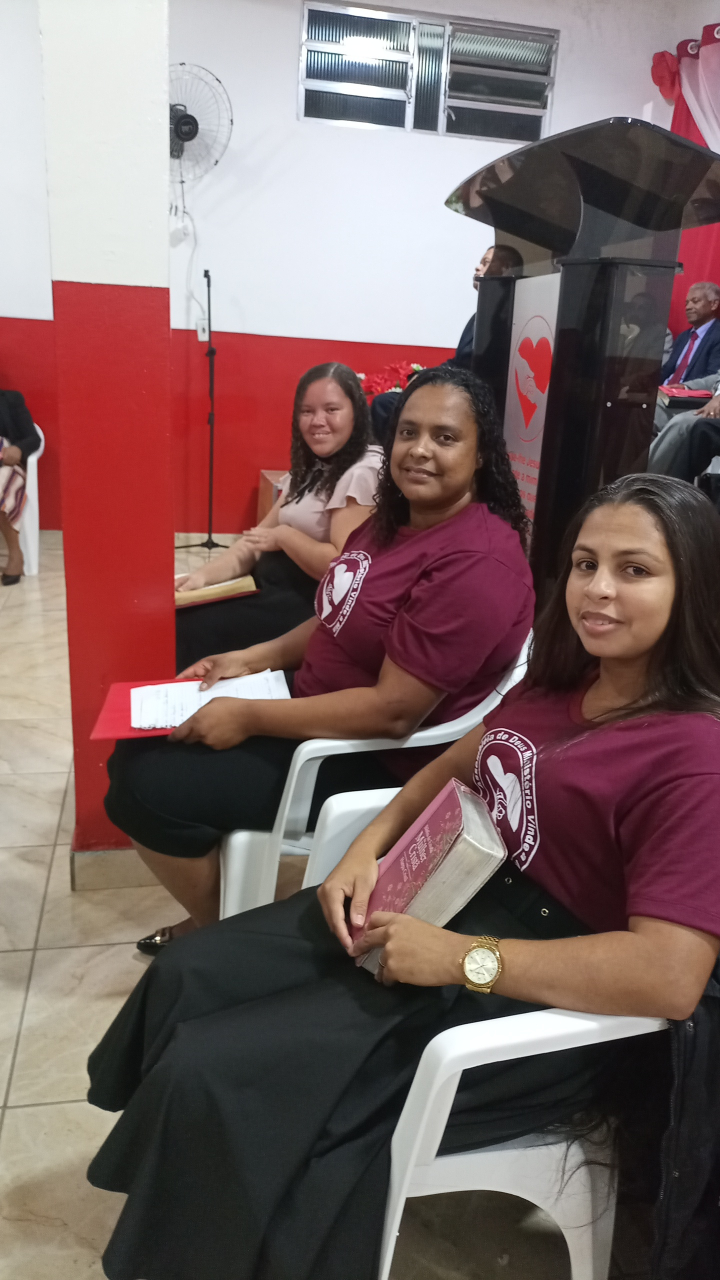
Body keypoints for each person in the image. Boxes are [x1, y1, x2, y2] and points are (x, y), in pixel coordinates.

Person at [86, 474, 720, 1280]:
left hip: (536, 992)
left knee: (220, 1070)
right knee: (193, 973)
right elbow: (459, 761)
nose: (598, 589)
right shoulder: (568, 677)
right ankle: (177, 1190)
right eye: (586, 563)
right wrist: (369, 848)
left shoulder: (694, 755)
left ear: (692, 586)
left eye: (635, 570)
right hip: (452, 897)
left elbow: (669, 977)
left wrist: (462, 959)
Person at [106, 366, 533, 953]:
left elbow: (393, 713)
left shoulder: (477, 564)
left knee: (146, 786)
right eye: (409, 432)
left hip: (366, 756)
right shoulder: (392, 522)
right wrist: (251, 659)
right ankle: (221, 918)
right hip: (311, 705)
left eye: (445, 437)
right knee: (136, 746)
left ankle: (218, 940)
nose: (419, 450)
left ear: (481, 454)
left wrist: (248, 716)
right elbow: (337, 613)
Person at [175, 363, 382, 670]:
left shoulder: (363, 471)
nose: (317, 421)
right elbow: (255, 541)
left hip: (306, 610)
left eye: (331, 410)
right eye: (307, 411)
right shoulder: (313, 468)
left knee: (188, 630)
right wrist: (201, 579)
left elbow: (340, 568)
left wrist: (284, 537)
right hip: (270, 591)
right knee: (178, 614)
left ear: (356, 413)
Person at [370, 245, 524, 447]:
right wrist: (423, 377)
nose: (477, 267)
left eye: (486, 263)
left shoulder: (505, 317)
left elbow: (480, 371)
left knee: (385, 405)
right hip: (457, 388)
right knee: (387, 402)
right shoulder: (479, 315)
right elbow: (458, 362)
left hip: (472, 399)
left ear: (505, 270)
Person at [653, 282, 720, 436]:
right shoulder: (684, 337)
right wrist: (645, 382)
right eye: (686, 303)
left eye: (695, 301)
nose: (688, 307)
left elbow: (712, 378)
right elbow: (667, 370)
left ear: (714, 304)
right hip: (664, 391)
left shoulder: (718, 335)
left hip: (686, 399)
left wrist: (680, 390)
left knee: (645, 408)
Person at [0, 388, 41, 585]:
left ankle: (15, 554)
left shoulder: (10, 400)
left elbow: (33, 438)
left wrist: (18, 449)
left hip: (6, 464)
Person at [648, 371, 720, 475]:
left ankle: (649, 479)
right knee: (652, 409)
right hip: (712, 399)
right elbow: (718, 377)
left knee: (683, 424)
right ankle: (629, 470)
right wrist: (687, 387)